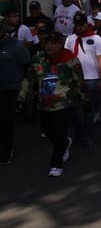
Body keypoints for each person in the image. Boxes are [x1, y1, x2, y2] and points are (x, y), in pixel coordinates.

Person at [21, 32, 86, 177]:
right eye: (46, 43)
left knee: (60, 130)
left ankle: (56, 164)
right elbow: (29, 78)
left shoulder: (70, 60)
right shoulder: (38, 59)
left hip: (64, 103)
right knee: (46, 129)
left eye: (53, 43)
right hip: (44, 102)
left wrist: (84, 99)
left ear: (60, 44)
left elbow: (79, 81)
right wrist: (22, 95)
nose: (49, 46)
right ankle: (64, 143)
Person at [64, 11, 101, 145]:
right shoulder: (70, 39)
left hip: (91, 78)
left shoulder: (96, 39)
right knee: (74, 109)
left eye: (81, 24)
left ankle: (87, 136)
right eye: (77, 25)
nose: (79, 27)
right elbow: (65, 58)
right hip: (74, 79)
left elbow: (100, 59)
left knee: (89, 109)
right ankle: (78, 134)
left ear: (87, 24)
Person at [0, 20, 31, 164]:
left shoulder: (16, 45)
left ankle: (6, 150)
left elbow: (26, 66)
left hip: (9, 88)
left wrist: (23, 87)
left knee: (5, 120)